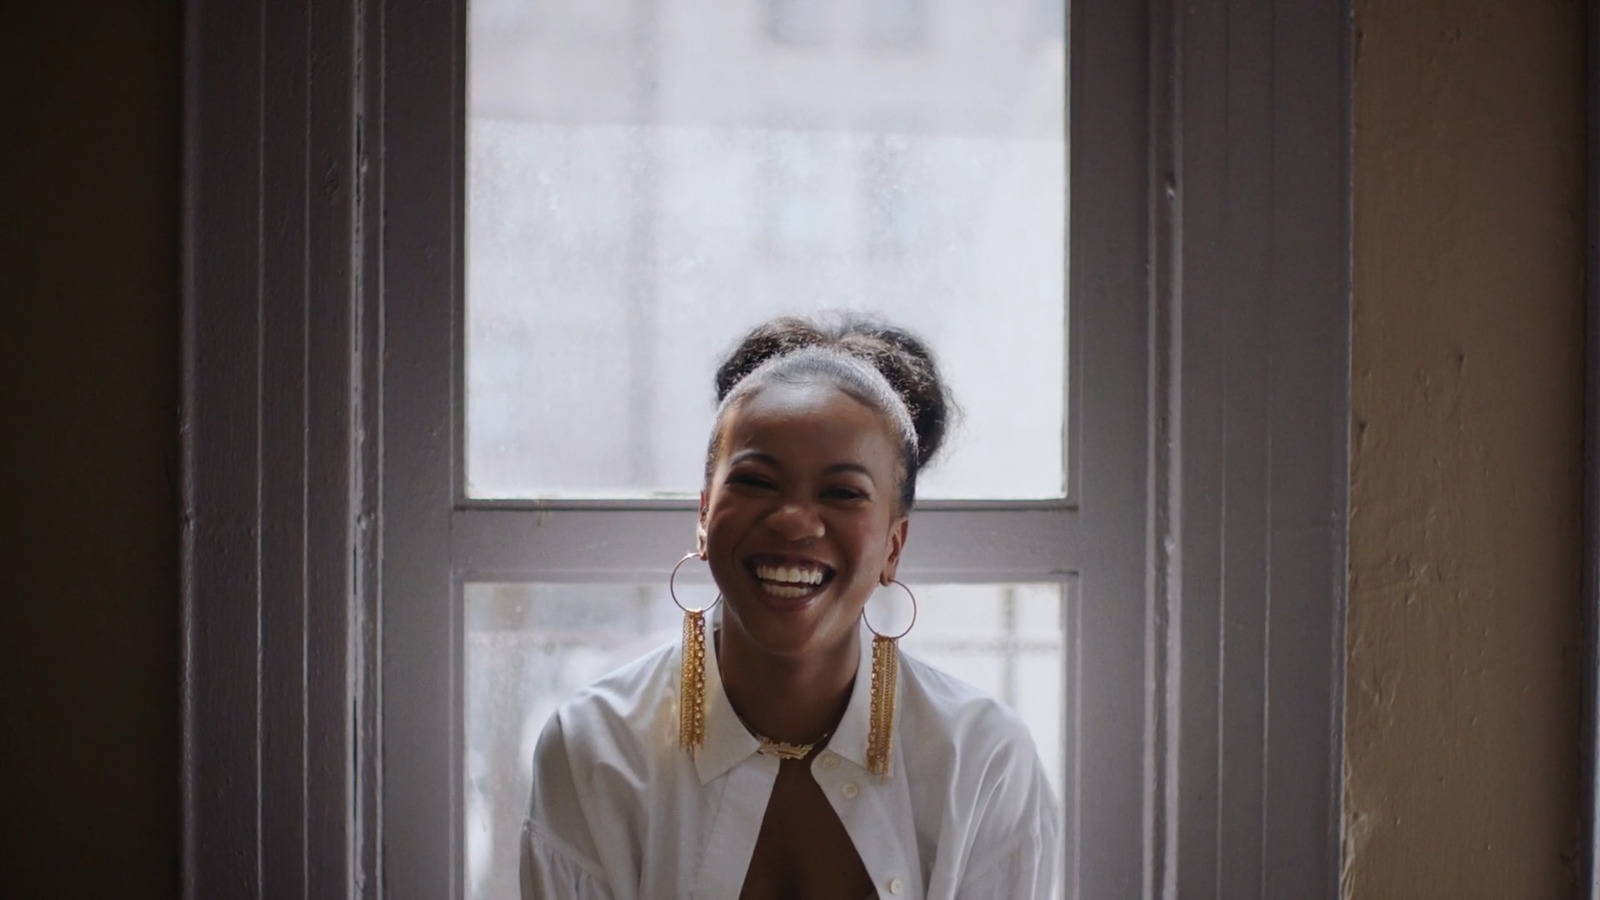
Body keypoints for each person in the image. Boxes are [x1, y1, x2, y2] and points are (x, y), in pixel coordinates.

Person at [520, 315, 1061, 899]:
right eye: (756, 481)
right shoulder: (595, 752)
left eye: (842, 492)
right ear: (703, 516)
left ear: (893, 546)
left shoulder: (982, 764)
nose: (794, 521)